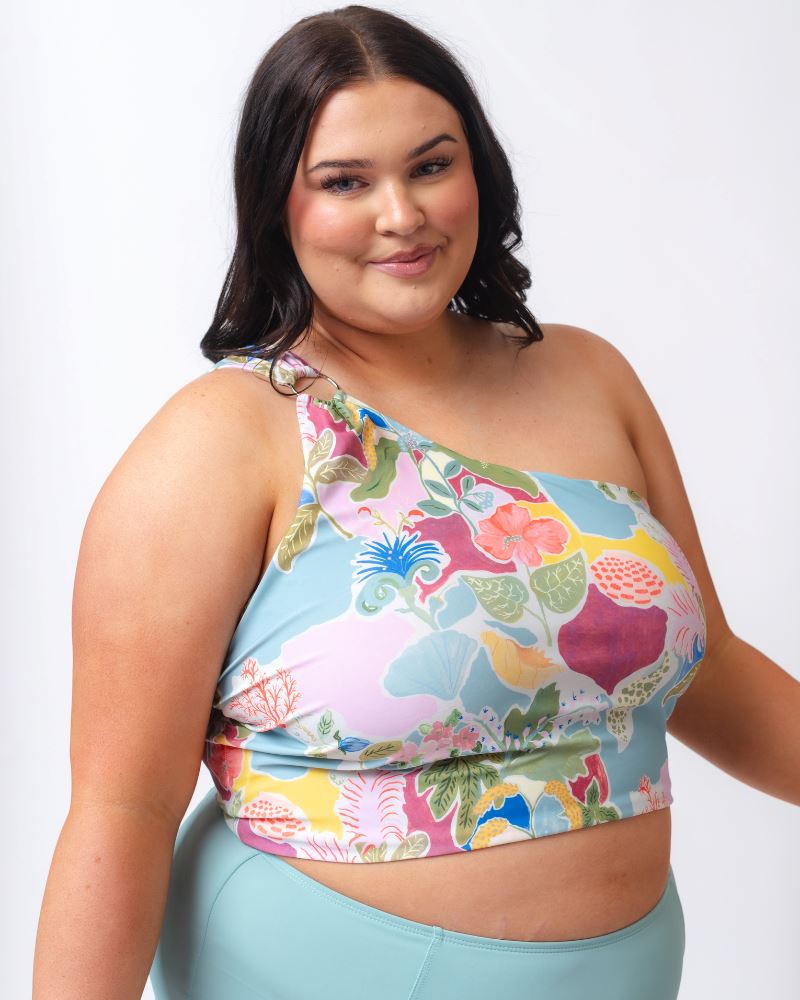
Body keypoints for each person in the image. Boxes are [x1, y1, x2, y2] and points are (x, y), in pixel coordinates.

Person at [32, 5, 800, 999]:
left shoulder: (587, 376)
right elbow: (121, 806)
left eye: (430, 166)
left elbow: (711, 673)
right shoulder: (221, 439)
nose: (401, 214)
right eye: (344, 182)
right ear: (276, 207)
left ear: (477, 169)